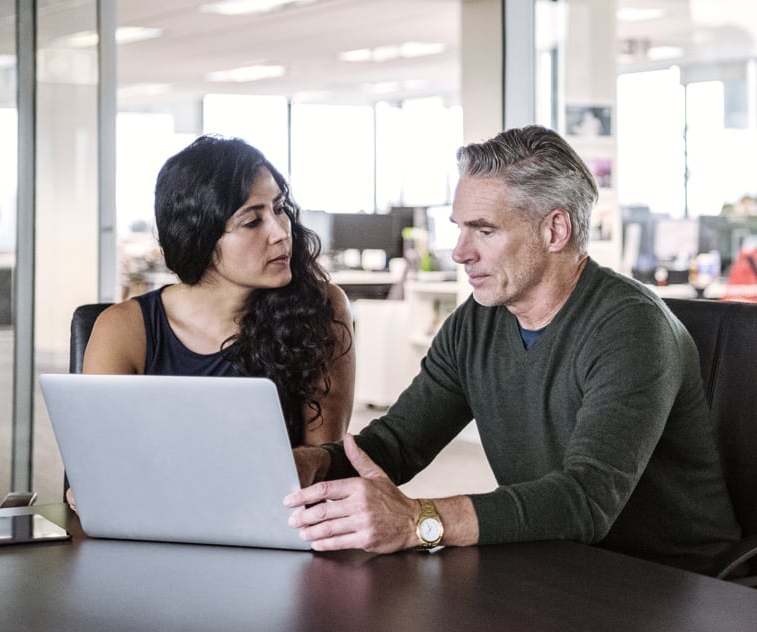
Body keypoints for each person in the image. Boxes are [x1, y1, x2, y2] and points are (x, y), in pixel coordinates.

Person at [285, 125, 740, 574]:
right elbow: (397, 444)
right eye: (459, 229)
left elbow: (585, 499)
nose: (461, 252)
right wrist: (303, 467)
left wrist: (417, 520)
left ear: (555, 230)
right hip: (556, 562)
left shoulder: (632, 327)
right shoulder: (477, 321)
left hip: (672, 581)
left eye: (483, 230)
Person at [84, 135, 355, 448]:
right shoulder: (124, 329)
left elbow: (321, 461)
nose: (281, 233)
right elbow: (100, 456)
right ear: (200, 238)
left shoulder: (319, 308)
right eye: (252, 222)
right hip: (159, 497)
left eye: (280, 208)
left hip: (277, 498)